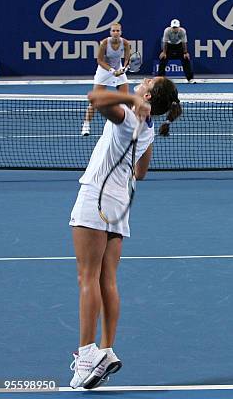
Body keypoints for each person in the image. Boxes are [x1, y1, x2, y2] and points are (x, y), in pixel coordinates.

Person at [68, 77, 182, 389]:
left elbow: (94, 97)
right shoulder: (145, 130)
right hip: (119, 204)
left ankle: (87, 355)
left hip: (95, 199)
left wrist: (131, 104)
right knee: (107, 279)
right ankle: (106, 348)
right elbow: (141, 172)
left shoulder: (127, 116)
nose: (142, 80)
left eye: (147, 82)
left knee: (87, 277)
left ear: (147, 94)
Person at [82, 23, 131, 136]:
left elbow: (127, 60)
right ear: (110, 32)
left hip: (118, 68)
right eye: (113, 31)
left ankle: (128, 125)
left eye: (117, 31)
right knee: (95, 101)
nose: (115, 33)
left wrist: (124, 69)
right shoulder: (104, 43)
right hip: (104, 70)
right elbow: (99, 60)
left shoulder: (125, 43)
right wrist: (112, 72)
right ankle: (86, 125)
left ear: (121, 32)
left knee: (126, 99)